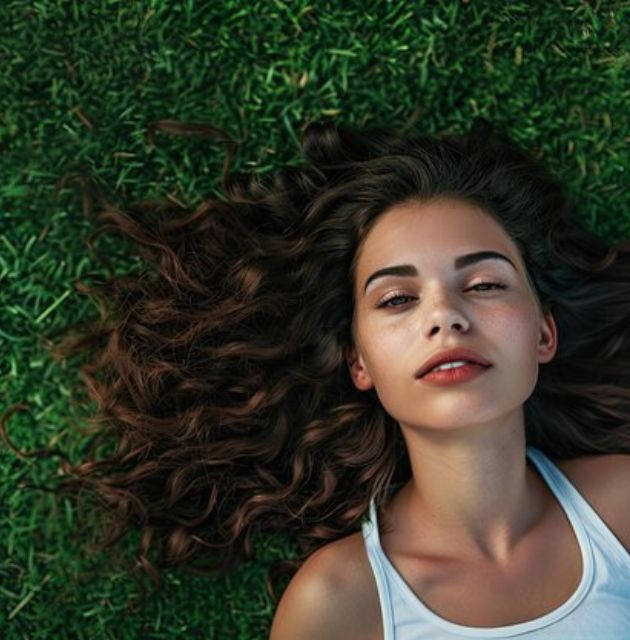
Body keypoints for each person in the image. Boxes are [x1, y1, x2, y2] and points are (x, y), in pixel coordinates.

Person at [3, 117, 630, 638]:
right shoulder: (335, 604)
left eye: (485, 283)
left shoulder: (622, 509)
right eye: (396, 300)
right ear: (359, 361)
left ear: (544, 332)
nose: (445, 316)